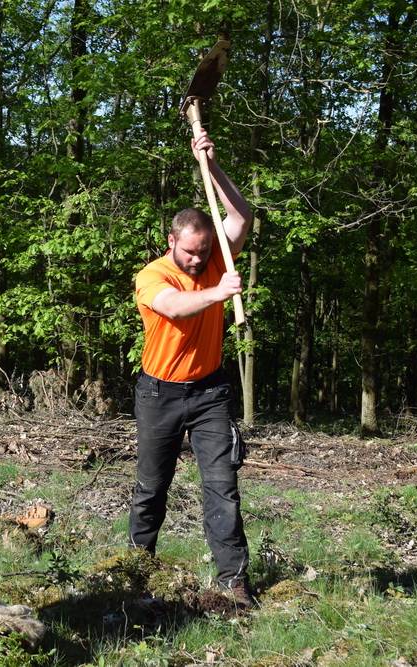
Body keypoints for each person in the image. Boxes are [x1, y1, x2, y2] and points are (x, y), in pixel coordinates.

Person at [128, 128, 254, 608]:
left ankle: (233, 582)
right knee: (151, 486)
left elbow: (242, 216)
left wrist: (214, 165)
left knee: (223, 485)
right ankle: (139, 571)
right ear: (171, 242)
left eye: (205, 251)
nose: (199, 259)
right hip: (158, 393)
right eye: (190, 252)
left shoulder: (217, 257)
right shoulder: (152, 275)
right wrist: (220, 292)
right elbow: (176, 307)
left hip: (209, 393)